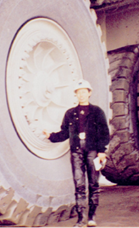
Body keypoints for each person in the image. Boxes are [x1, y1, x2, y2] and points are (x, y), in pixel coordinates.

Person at [43, 79, 109, 228]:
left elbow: (104, 132)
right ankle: (81, 221)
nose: (81, 95)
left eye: (84, 92)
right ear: (76, 94)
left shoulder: (97, 112)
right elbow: (64, 133)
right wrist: (51, 136)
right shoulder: (70, 114)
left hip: (93, 151)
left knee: (93, 184)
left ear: (89, 93)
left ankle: (91, 217)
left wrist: (102, 151)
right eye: (79, 92)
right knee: (79, 185)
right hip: (76, 153)